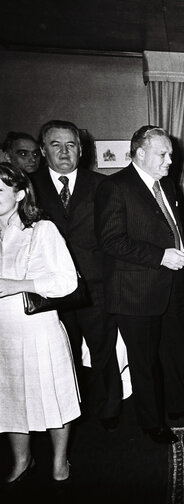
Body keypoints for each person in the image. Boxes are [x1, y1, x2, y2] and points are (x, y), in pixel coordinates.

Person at [94, 125, 184, 444]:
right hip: (135, 294)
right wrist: (160, 256)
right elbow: (111, 241)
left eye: (171, 154)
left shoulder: (169, 186)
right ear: (141, 153)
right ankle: (151, 423)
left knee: (176, 354)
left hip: (172, 287)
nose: (170, 160)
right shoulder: (115, 187)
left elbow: (177, 231)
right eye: (163, 154)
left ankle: (179, 406)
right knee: (144, 362)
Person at [31, 120, 123, 432]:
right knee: (59, 355)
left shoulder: (101, 185)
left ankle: (110, 408)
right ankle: (68, 411)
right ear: (44, 151)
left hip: (96, 288)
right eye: (55, 145)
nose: (64, 151)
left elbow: (112, 238)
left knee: (103, 351)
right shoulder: (29, 186)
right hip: (51, 291)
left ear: (81, 150)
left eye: (70, 144)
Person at [0, 163, 79, 484]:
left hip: (38, 332)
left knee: (53, 397)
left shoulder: (41, 230)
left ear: (19, 194)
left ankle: (60, 461)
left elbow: (66, 282)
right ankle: (22, 460)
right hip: (3, 335)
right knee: (9, 399)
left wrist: (18, 284)